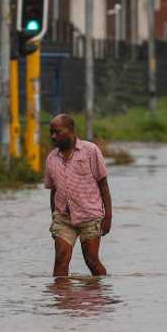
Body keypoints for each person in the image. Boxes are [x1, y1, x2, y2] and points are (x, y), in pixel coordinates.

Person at [43, 113, 111, 277]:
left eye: (58, 132)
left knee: (91, 261)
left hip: (90, 216)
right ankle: (61, 300)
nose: (54, 136)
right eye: (51, 132)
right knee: (60, 259)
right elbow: (53, 191)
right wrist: (54, 218)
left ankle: (102, 296)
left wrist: (108, 216)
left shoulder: (90, 151)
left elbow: (103, 185)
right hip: (63, 218)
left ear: (71, 130)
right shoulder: (51, 158)